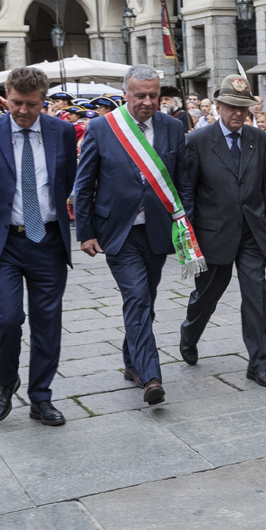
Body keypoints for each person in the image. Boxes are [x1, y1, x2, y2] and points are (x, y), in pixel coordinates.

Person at [0, 67, 77, 427]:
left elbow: (67, 179)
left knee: (47, 321)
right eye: (16, 103)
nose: (23, 111)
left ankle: (41, 396)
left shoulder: (62, 131)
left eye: (31, 104)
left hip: (47, 240)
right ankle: (5, 382)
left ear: (44, 101)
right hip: (4, 242)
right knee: (7, 318)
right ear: (5, 97)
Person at [74, 64, 191, 405]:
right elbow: (85, 184)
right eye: (140, 95)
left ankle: (132, 361)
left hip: (157, 231)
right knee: (138, 297)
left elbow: (183, 181)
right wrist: (86, 232)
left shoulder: (172, 127)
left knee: (145, 299)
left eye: (154, 95)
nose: (147, 101)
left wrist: (185, 225)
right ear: (125, 94)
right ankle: (151, 376)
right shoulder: (103, 127)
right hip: (118, 232)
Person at [179, 72, 266, 386]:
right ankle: (190, 333)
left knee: (255, 296)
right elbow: (189, 193)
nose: (237, 113)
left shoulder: (259, 139)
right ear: (218, 106)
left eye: (243, 108)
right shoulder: (197, 140)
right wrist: (189, 240)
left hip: (251, 232)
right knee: (207, 295)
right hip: (213, 234)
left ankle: (259, 363)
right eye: (231, 107)